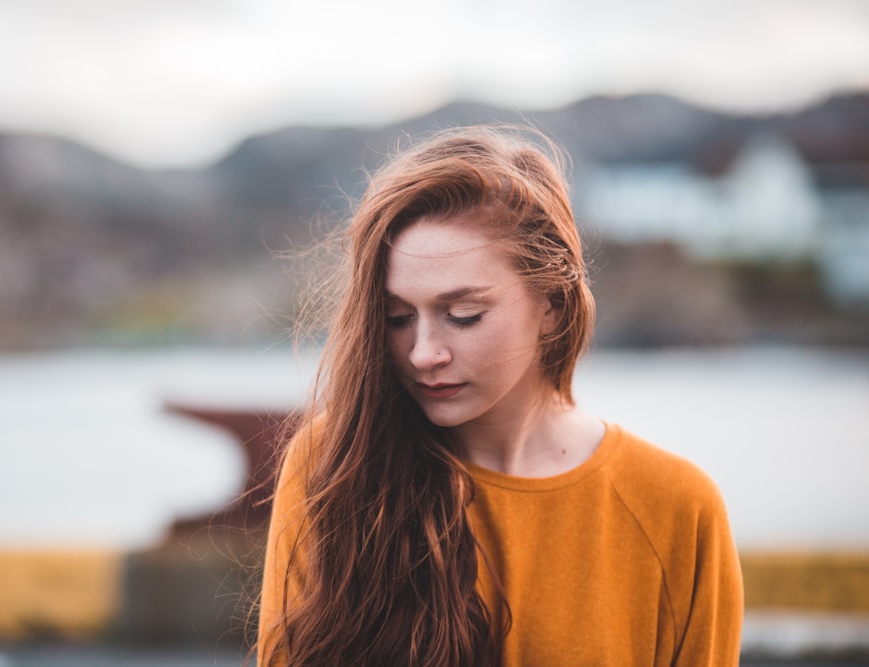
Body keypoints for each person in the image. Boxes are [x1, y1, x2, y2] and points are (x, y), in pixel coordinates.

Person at [257, 125, 744, 666]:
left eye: (463, 316)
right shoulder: (336, 466)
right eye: (397, 318)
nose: (422, 353)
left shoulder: (676, 508)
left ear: (552, 306)